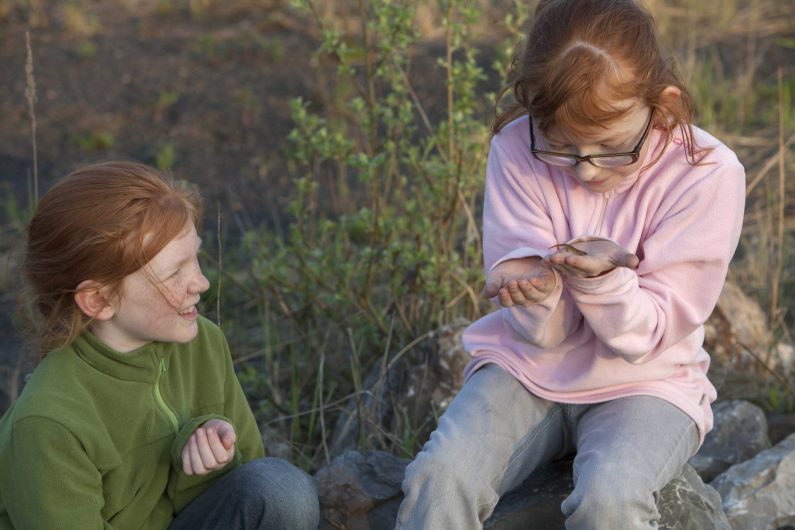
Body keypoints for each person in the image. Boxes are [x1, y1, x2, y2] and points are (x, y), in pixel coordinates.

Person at [397, 0, 745, 528]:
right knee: (441, 476)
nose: (584, 170)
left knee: (611, 499)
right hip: (526, 370)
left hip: (649, 382)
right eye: (561, 147)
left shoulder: (707, 174)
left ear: (664, 104)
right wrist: (535, 297)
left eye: (610, 147)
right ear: (530, 106)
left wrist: (604, 280)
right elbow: (543, 331)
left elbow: (650, 334)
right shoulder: (517, 148)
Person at [0, 161, 320, 529]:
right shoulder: (48, 424)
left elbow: (249, 480)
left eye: (196, 258)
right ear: (99, 301)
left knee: (281, 488)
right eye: (174, 273)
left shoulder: (203, 344)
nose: (200, 283)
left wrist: (207, 458)